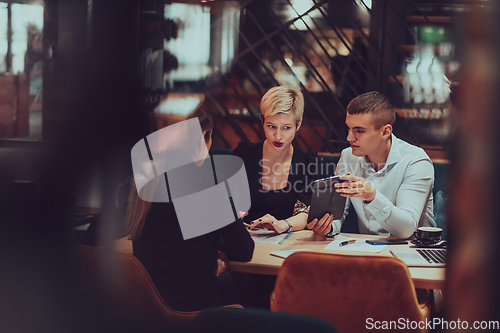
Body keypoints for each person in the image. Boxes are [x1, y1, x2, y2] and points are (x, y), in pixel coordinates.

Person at [125, 107, 254, 312]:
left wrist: (211, 252)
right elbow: (244, 251)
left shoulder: (145, 182)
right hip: (196, 316)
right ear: (203, 137)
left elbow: (173, 239)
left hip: (147, 314)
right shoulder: (209, 184)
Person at [308, 91, 436, 238]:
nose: (349, 137)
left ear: (385, 132)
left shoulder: (416, 161)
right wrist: (328, 226)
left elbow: (406, 229)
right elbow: (339, 212)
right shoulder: (348, 156)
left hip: (413, 250)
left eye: (359, 131)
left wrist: (371, 196)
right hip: (368, 247)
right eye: (349, 128)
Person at [232, 85, 318, 234]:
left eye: (286, 127)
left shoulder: (306, 161)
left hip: (287, 241)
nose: (278, 136)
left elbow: (305, 212)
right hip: (243, 239)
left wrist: (282, 225)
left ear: (298, 125)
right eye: (271, 126)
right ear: (262, 122)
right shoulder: (244, 154)